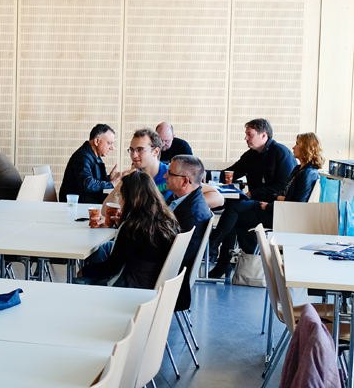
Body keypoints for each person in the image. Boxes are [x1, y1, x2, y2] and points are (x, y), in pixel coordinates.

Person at [208, 118, 296, 278]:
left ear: (264, 135)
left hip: (273, 208)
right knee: (232, 210)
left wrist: (253, 193)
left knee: (233, 211)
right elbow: (231, 172)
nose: (246, 138)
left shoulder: (281, 153)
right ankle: (219, 256)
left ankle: (214, 247)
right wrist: (200, 174)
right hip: (257, 203)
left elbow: (282, 187)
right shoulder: (252, 155)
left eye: (250, 134)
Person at [80, 169, 178, 289]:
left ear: (129, 198)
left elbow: (111, 268)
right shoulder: (166, 219)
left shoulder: (132, 228)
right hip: (153, 282)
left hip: (131, 287)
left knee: (80, 280)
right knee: (103, 249)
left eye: (120, 195)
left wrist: (84, 271)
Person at [105, 128, 223, 209]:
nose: (134, 155)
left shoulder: (173, 174)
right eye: (132, 150)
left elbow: (217, 198)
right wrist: (121, 184)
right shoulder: (132, 178)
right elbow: (105, 210)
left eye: (140, 150)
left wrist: (176, 208)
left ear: (156, 151)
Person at [164, 155, 213, 311]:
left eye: (170, 173)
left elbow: (175, 257)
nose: (165, 176)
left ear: (185, 181)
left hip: (166, 278)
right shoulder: (183, 200)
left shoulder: (193, 215)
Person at [59, 124, 121, 204]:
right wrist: (110, 184)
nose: (112, 147)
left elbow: (95, 181)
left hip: (87, 202)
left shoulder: (94, 155)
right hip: (76, 205)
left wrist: (109, 178)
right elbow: (87, 183)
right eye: (109, 143)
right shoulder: (82, 156)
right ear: (97, 141)